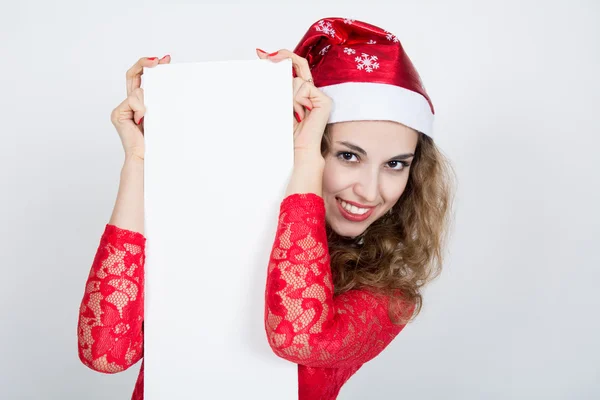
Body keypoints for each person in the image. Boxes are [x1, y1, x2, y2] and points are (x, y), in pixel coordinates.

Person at [77, 17, 454, 400]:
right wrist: (140, 161)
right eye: (348, 155)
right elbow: (106, 352)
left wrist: (307, 157)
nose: (370, 190)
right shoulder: (212, 219)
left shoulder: (388, 294)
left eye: (395, 164)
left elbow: (297, 336)